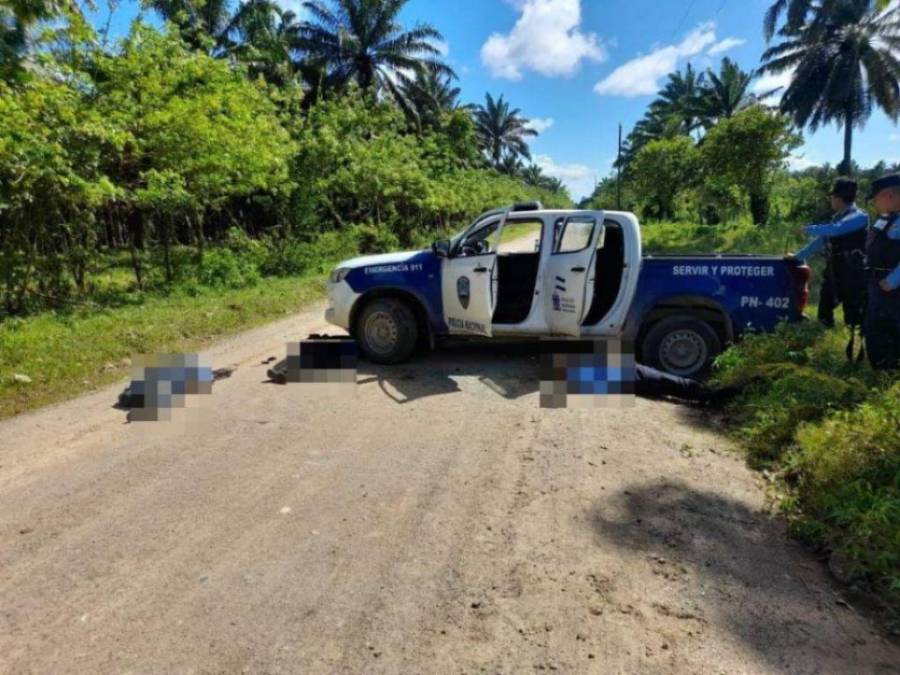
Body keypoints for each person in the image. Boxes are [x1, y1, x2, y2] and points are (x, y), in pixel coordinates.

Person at [795, 178, 869, 330]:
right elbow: (822, 240)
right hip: (834, 268)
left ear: (839, 198)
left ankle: (854, 342)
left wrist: (807, 229)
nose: (831, 200)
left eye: (832, 197)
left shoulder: (860, 217)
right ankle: (824, 330)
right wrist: (798, 256)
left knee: (853, 313)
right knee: (825, 305)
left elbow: (836, 229)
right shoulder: (837, 217)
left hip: (853, 271)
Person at [864, 174, 900, 370]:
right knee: (875, 329)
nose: (874, 203)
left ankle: (890, 374)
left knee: (891, 330)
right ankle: (882, 371)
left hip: (892, 288)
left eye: (875, 199)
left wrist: (893, 280)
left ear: (889, 196)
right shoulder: (885, 220)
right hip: (878, 284)